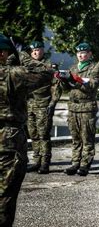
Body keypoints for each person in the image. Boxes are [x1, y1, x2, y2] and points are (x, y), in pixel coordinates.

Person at [0, 34, 52, 227]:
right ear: (4, 53)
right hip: (7, 138)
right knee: (5, 192)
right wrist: (22, 54)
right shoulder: (10, 74)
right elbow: (46, 74)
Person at [61, 43, 99, 176]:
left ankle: (85, 164)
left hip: (87, 107)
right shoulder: (72, 68)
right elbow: (66, 90)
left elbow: (92, 86)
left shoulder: (94, 68)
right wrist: (63, 80)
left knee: (87, 137)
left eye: (84, 52)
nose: (80, 55)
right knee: (75, 137)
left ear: (90, 54)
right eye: (78, 53)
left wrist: (76, 81)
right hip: (73, 107)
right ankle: (75, 163)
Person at [22, 41, 61, 174]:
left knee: (43, 135)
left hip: (43, 105)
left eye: (38, 50)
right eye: (33, 51)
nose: (35, 52)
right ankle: (36, 160)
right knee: (33, 135)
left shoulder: (49, 67)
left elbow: (56, 87)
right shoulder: (27, 67)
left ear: (42, 51)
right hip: (30, 105)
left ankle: (45, 163)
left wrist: (52, 104)